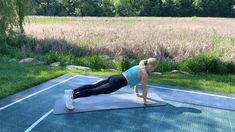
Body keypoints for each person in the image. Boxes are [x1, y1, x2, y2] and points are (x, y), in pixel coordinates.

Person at [64, 57, 157, 110]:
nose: (154, 69)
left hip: (115, 77)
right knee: (94, 91)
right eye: (154, 67)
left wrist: (137, 93)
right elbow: (144, 88)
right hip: (117, 83)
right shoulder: (144, 73)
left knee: (94, 86)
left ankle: (71, 91)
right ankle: (72, 97)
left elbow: (136, 81)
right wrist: (145, 102)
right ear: (151, 66)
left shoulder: (139, 65)